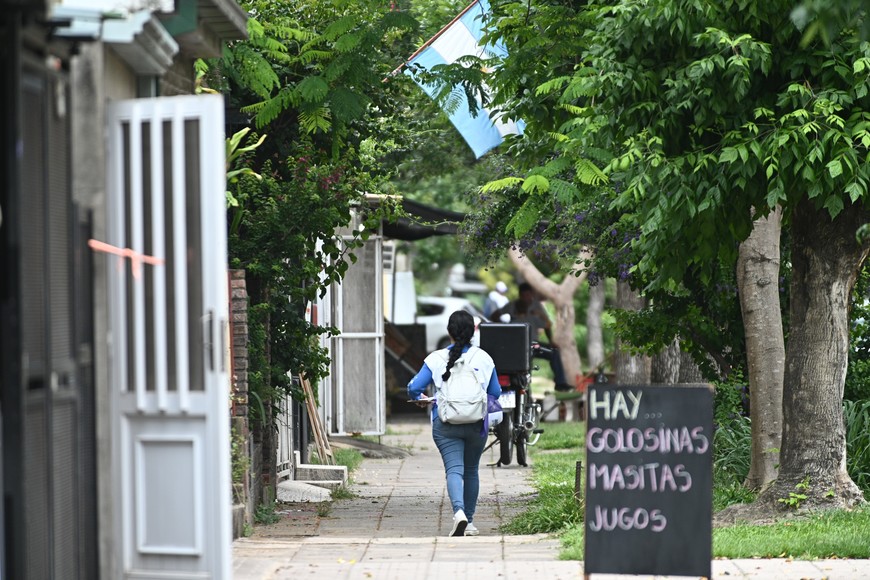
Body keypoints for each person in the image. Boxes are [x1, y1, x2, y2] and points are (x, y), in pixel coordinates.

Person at [407, 310, 501, 537]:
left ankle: (458, 512)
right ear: (472, 332)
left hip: (446, 423)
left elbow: (413, 388)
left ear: (448, 331)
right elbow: (495, 392)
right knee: (471, 470)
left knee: (454, 470)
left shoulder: (436, 358)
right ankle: (469, 522)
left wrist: (421, 400)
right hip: (476, 423)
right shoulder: (484, 358)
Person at [492, 282, 573, 392]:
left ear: (531, 295)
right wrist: (503, 328)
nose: (526, 298)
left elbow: (547, 325)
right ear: (520, 295)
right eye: (524, 296)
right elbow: (494, 315)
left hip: (533, 344)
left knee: (554, 352)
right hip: (515, 346)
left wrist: (551, 341)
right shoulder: (512, 306)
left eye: (528, 295)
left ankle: (560, 382)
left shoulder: (536, 307)